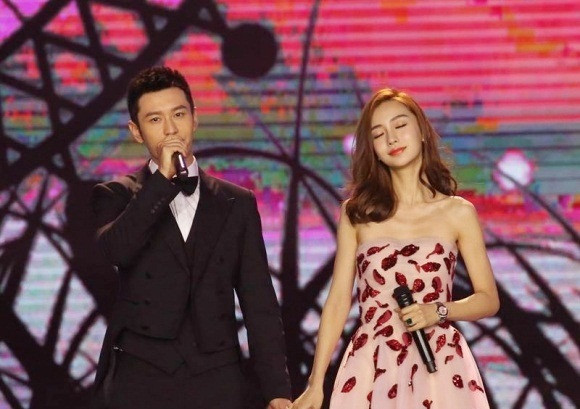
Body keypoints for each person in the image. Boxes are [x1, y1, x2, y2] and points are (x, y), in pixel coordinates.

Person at [90, 66, 292, 409]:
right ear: (136, 131)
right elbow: (116, 250)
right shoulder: (115, 195)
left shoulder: (236, 203)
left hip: (217, 378)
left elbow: (259, 301)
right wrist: (161, 182)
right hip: (140, 378)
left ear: (195, 119)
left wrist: (277, 390)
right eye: (155, 120)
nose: (170, 129)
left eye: (179, 114)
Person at [291, 88, 499, 408]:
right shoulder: (356, 213)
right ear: (373, 149)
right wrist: (315, 383)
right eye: (379, 134)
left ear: (422, 131)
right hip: (372, 364)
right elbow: (338, 301)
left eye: (400, 125)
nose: (392, 139)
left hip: (439, 361)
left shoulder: (458, 212)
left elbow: (488, 299)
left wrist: (439, 311)